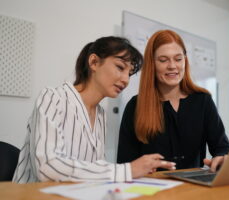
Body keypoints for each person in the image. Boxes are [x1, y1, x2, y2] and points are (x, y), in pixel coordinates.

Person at [13, 36, 175, 183]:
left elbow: (93, 168)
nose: (125, 80)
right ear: (94, 62)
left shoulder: (100, 115)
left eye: (129, 73)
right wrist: (127, 170)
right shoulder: (53, 97)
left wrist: (138, 170)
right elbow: (47, 168)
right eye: (120, 67)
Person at [117, 30, 229, 172]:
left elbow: (222, 147)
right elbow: (124, 165)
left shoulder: (203, 101)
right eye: (163, 60)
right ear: (152, 64)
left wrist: (222, 157)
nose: (172, 66)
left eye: (178, 59)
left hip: (193, 188)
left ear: (185, 60)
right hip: (152, 189)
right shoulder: (135, 106)